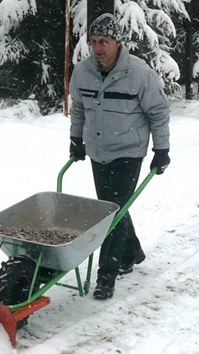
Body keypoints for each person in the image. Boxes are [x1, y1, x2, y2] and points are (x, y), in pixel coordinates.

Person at [68, 13, 171, 300]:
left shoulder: (139, 73)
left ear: (118, 41)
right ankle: (132, 252)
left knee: (111, 211)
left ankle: (106, 277)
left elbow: (159, 113)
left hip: (128, 151)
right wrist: (76, 139)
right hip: (98, 151)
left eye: (104, 41)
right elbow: (78, 107)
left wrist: (161, 150)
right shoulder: (83, 71)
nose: (98, 48)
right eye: (93, 41)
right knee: (114, 207)